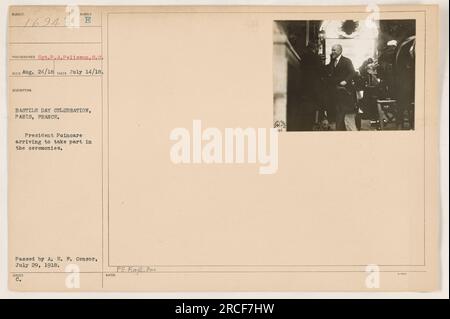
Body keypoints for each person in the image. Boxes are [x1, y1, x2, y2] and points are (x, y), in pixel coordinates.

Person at [325, 44, 357, 131]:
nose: (332, 52)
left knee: (343, 112)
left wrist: (345, 81)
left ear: (340, 51)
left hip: (345, 91)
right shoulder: (332, 61)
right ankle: (340, 129)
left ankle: (341, 130)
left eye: (334, 50)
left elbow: (353, 73)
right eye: (332, 50)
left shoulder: (347, 61)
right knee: (338, 111)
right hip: (335, 91)